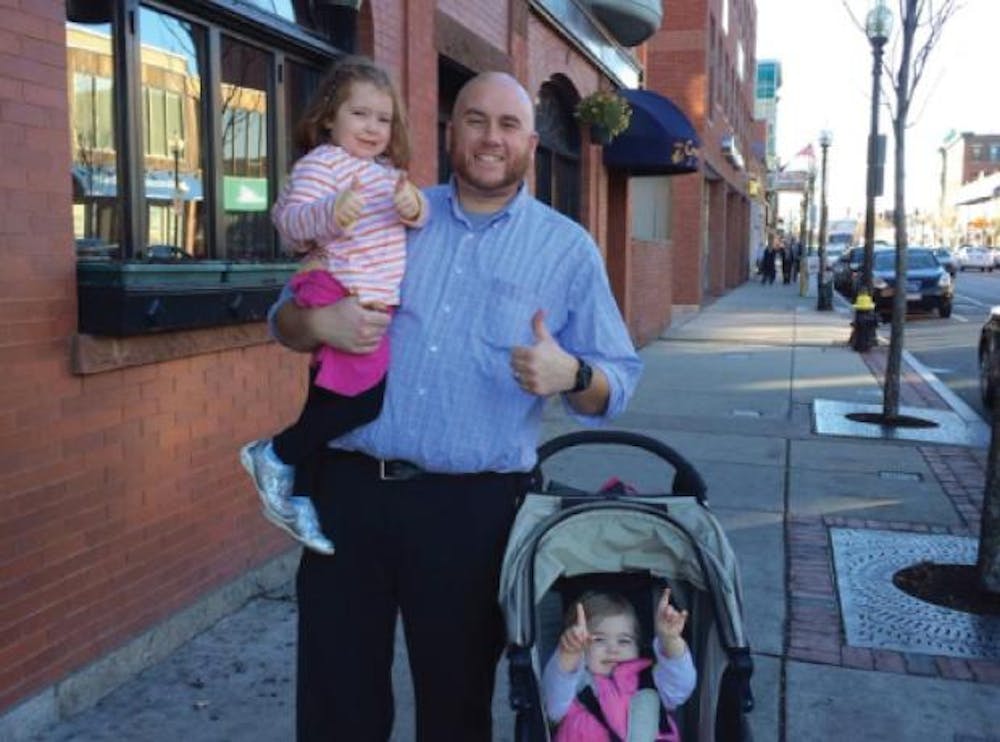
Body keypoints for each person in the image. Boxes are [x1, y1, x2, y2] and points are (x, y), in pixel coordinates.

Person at [271, 70, 643, 740]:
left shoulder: (566, 249)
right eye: (475, 120)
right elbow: (285, 317)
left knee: (456, 706)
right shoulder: (391, 204)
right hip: (349, 495)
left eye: (507, 124)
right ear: (451, 132)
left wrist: (571, 371)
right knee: (335, 703)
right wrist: (317, 326)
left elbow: (619, 380)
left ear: (531, 140)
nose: (490, 138)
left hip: (472, 514)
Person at [240, 56, 428, 555]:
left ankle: (299, 496)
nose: (372, 127)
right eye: (359, 114)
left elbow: (415, 215)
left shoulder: (386, 173)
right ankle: (275, 454)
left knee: (328, 403)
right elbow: (291, 222)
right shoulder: (322, 164)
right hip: (338, 290)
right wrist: (330, 212)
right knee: (363, 399)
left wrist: (415, 207)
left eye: (383, 119)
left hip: (365, 300)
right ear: (329, 118)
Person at [542, 590, 696, 742]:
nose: (613, 649)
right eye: (598, 640)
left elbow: (681, 684)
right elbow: (552, 703)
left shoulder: (650, 680)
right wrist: (568, 655)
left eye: (624, 641)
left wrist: (670, 641)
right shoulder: (572, 686)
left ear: (638, 646)